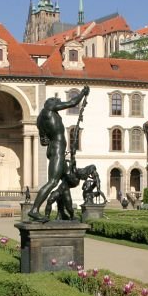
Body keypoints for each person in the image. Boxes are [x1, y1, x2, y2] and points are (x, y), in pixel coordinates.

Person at [28, 86, 90, 222]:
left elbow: (44, 141)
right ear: (51, 103)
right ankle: (34, 209)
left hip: (55, 149)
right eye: (56, 101)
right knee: (52, 182)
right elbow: (72, 103)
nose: (58, 103)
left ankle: (62, 213)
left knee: (65, 184)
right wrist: (82, 93)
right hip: (57, 150)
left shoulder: (41, 118)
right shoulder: (49, 109)